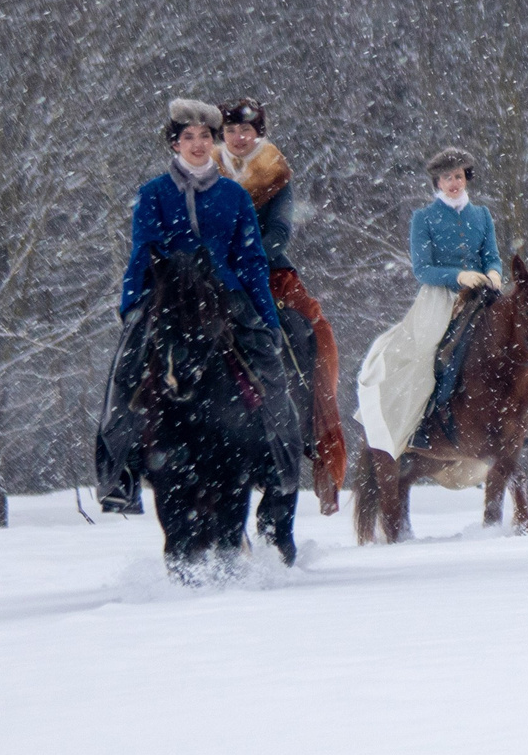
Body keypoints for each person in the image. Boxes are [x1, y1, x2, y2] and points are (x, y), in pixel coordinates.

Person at [96, 100, 293, 514]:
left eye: (206, 136)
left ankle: (278, 463)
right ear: (174, 144)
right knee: (126, 369)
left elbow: (251, 259)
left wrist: (265, 315)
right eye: (189, 137)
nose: (199, 143)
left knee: (271, 370)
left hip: (226, 293)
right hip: (167, 296)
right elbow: (142, 250)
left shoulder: (234, 196)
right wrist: (132, 306)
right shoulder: (153, 193)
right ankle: (121, 472)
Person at [218, 99, 346, 505]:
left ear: (260, 134)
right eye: (232, 130)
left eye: (247, 130)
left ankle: (310, 420)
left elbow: (278, 232)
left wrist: (248, 258)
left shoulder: (276, 174)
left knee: (306, 331)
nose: (239, 137)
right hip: (215, 271)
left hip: (269, 271)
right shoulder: (207, 169)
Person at [356, 148, 503, 458]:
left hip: (482, 293)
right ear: (437, 182)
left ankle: (514, 421)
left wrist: (493, 272)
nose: (454, 183)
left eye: (459, 177)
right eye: (447, 178)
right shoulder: (424, 218)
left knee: (515, 343)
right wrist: (458, 276)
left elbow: (492, 255)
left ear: (467, 179)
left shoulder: (482, 215)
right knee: (425, 354)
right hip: (440, 297)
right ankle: (420, 422)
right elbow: (423, 269)